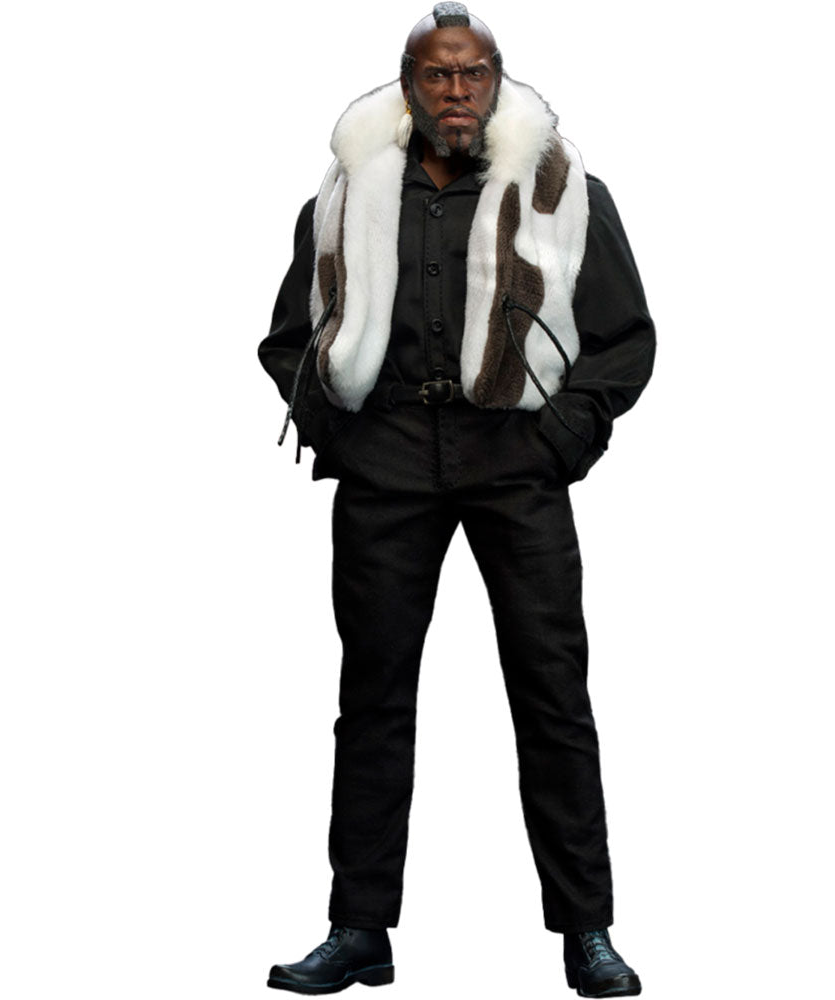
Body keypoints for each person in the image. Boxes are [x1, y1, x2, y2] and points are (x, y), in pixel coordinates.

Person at [257, 4, 656, 996]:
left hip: (515, 461)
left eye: (472, 74)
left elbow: (625, 340)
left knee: (553, 695)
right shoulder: (347, 193)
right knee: (372, 698)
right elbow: (287, 336)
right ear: (408, 85)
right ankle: (359, 929)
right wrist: (342, 435)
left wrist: (559, 440)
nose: (455, 91)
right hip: (386, 464)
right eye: (436, 75)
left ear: (496, 79)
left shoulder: (563, 190)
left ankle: (587, 932)